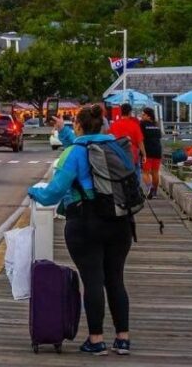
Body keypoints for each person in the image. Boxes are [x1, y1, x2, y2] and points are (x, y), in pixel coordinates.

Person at [28, 104, 134, 356]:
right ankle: (123, 339)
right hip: (121, 223)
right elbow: (135, 182)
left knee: (93, 280)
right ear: (103, 125)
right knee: (115, 280)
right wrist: (64, 132)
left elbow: (53, 192)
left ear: (78, 125)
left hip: (86, 224)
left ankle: (96, 340)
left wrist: (33, 191)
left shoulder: (75, 153)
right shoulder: (117, 147)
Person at [110, 103, 146, 168]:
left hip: (118, 154)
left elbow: (110, 140)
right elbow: (140, 142)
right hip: (132, 155)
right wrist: (144, 154)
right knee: (135, 175)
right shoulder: (135, 125)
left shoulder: (114, 125)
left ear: (121, 112)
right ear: (130, 112)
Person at [139, 107, 162, 199]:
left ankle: (150, 187)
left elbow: (140, 138)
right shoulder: (156, 125)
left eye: (143, 114)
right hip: (157, 151)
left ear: (148, 116)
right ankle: (155, 192)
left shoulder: (142, 124)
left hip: (147, 152)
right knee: (155, 172)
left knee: (145, 173)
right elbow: (159, 137)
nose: (141, 116)